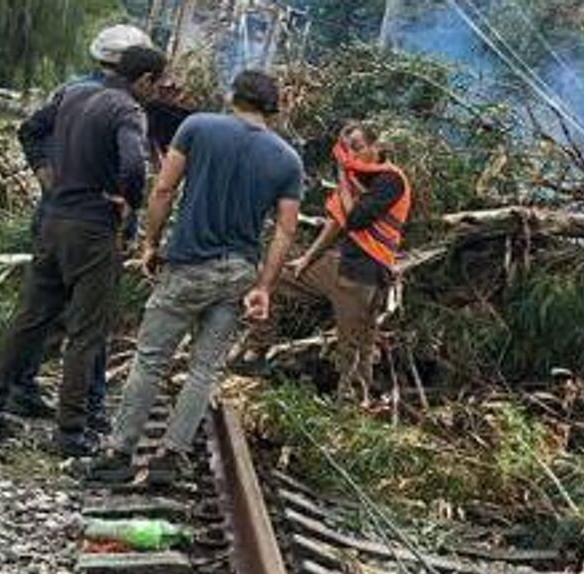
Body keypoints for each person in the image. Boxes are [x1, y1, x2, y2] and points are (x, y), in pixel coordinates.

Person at [87, 70, 304, 486]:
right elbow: (285, 230)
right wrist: (264, 287)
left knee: (151, 359)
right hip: (238, 272)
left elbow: (164, 189)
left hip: (188, 263)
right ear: (273, 110)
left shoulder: (197, 127)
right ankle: (171, 455)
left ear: (233, 96)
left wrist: (151, 243)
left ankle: (119, 452)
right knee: (205, 369)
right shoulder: (288, 159)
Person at [0, 46, 168, 456]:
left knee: (28, 319)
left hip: (53, 220)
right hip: (94, 230)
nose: (157, 92)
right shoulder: (129, 111)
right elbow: (134, 166)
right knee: (86, 332)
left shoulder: (73, 94)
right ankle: (70, 431)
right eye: (157, 84)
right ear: (144, 79)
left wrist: (47, 176)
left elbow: (30, 130)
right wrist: (129, 201)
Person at [243, 123, 410, 403]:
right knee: (272, 278)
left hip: (363, 275)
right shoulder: (358, 177)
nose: (351, 156)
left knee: (355, 345)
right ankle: (257, 348)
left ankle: (352, 405)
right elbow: (337, 222)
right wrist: (308, 258)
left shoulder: (391, 180)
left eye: (357, 149)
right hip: (339, 264)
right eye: (346, 150)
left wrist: (343, 174)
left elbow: (355, 219)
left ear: (376, 146)